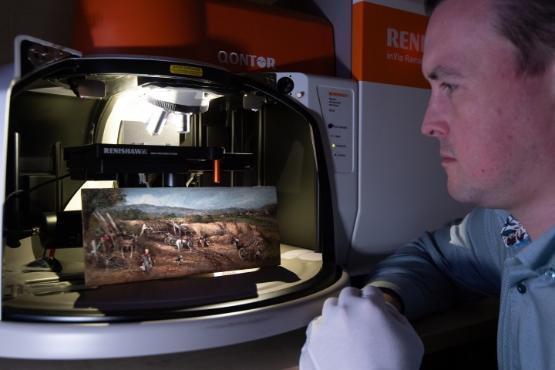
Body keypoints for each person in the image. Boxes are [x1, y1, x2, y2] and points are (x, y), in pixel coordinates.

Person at [300, 0, 555, 369]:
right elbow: (435, 258)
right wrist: (383, 303)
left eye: (450, 85)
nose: (428, 124)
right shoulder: (513, 228)